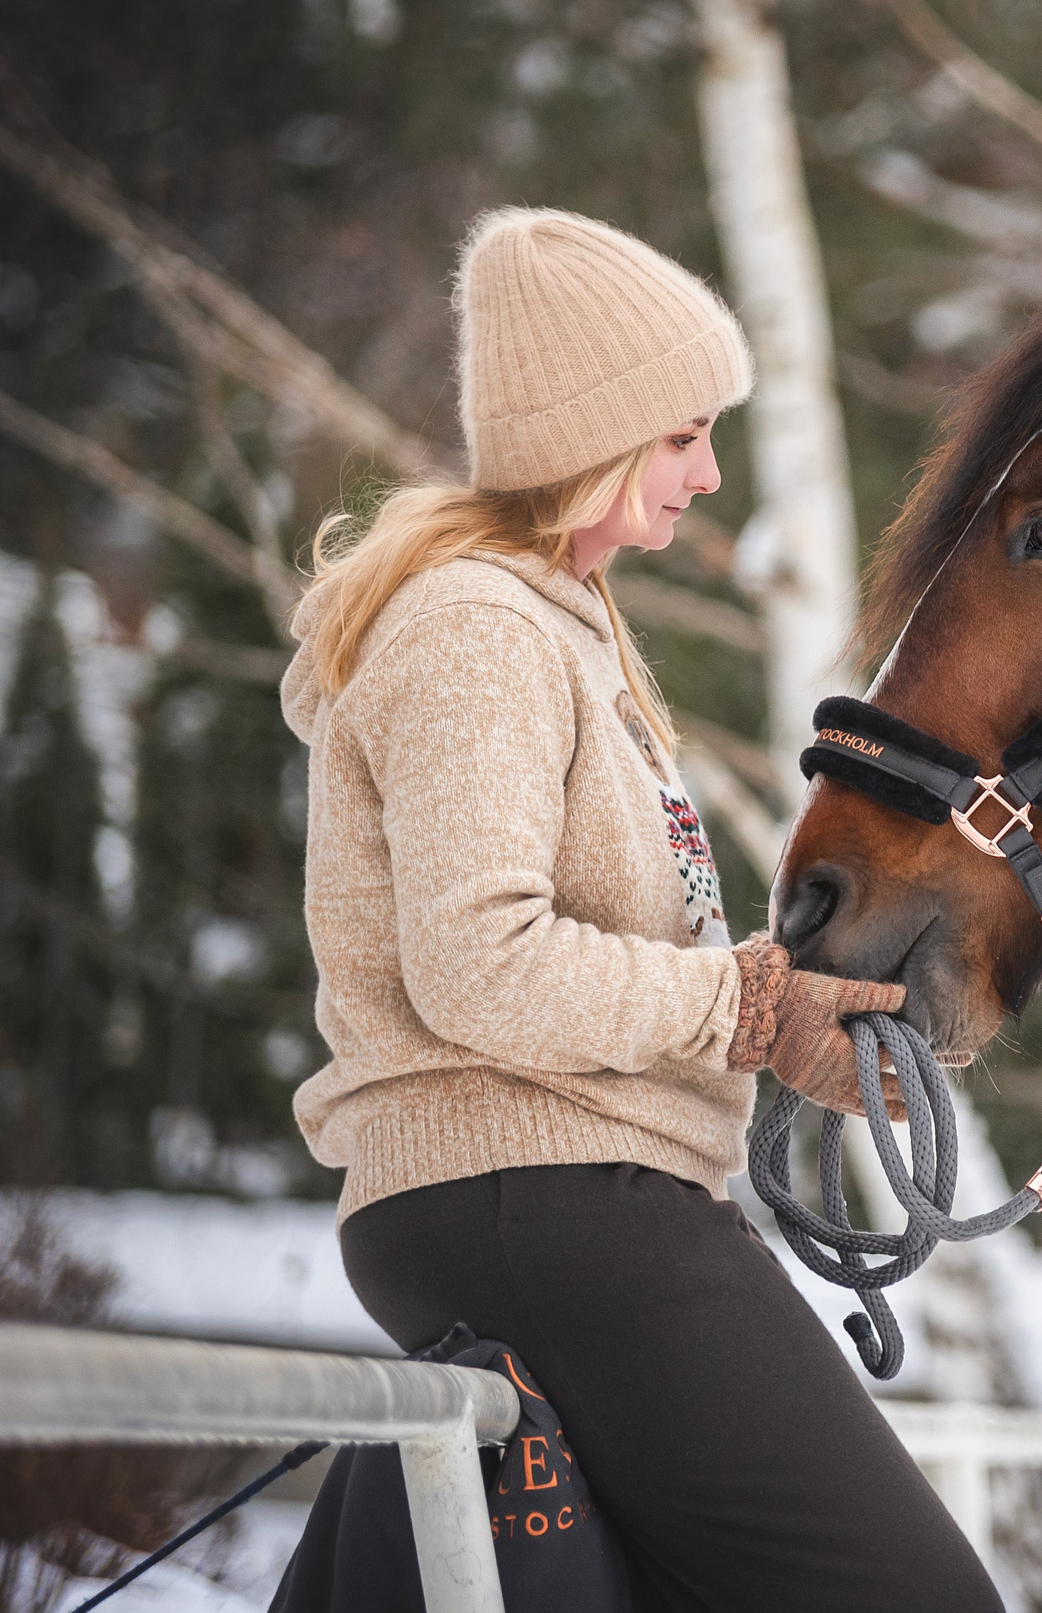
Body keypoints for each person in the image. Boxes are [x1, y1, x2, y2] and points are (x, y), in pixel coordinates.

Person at [280, 207, 1001, 1610]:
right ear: (586, 438)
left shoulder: (566, 622)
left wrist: (790, 1033)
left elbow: (608, 956)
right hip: (537, 1199)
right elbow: (479, 967)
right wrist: (745, 1005)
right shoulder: (476, 630)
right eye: (679, 436)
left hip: (570, 1197)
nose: (709, 472)